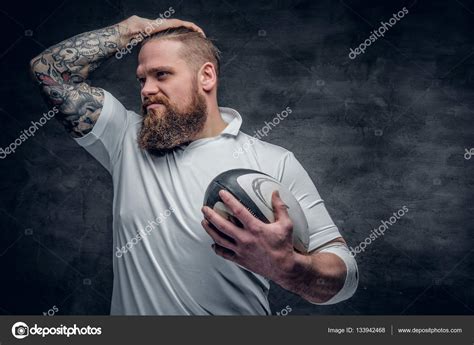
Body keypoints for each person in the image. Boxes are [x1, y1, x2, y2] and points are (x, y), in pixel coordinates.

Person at [30, 15, 358, 315]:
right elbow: (49, 70)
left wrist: (288, 268)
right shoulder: (126, 141)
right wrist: (129, 29)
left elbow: (345, 273)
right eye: (141, 79)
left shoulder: (272, 161)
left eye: (162, 75)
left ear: (206, 76)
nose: (146, 90)